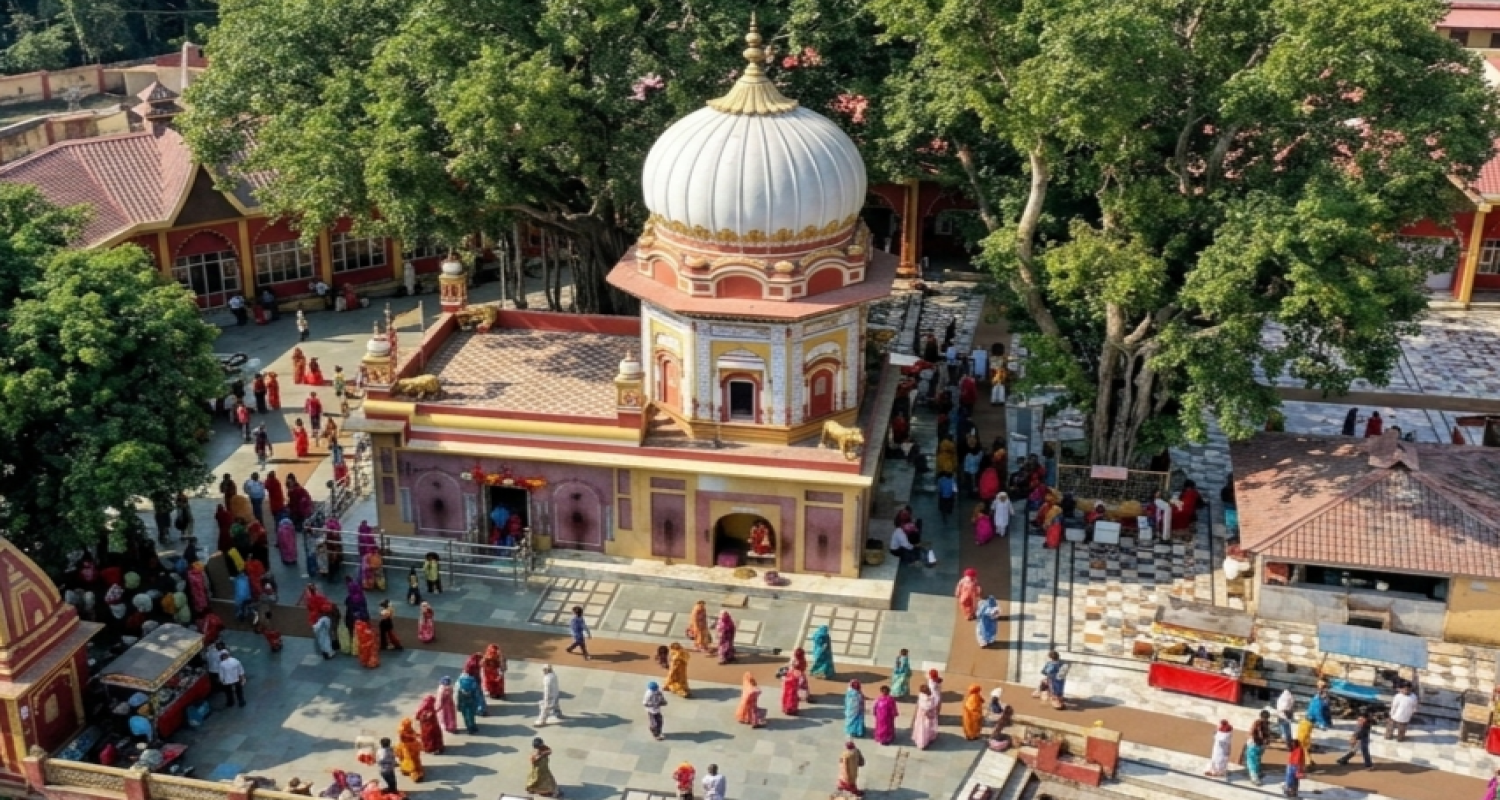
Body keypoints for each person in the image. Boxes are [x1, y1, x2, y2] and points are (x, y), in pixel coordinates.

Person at [1247, 710, 1271, 785]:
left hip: (1254, 744)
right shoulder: (1267, 724)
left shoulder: (1257, 723)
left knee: (1252, 762)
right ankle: (1258, 773)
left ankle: (1254, 778)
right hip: (1261, 746)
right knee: (1257, 760)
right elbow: (1267, 735)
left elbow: (1251, 733)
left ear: (1260, 716)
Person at [912, 684, 939, 749]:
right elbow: (933, 705)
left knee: (921, 729)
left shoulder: (921, 697)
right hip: (928, 717)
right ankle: (925, 742)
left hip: (921, 717)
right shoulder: (930, 699)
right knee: (927, 728)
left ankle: (921, 741)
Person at [456, 669, 481, 734]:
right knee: (471, 714)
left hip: (463, 702)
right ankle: (473, 726)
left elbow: (457, 695)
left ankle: (469, 728)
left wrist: (458, 704)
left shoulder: (460, 681)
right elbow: (476, 693)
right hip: (471, 701)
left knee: (465, 715)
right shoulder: (473, 680)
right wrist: (478, 704)